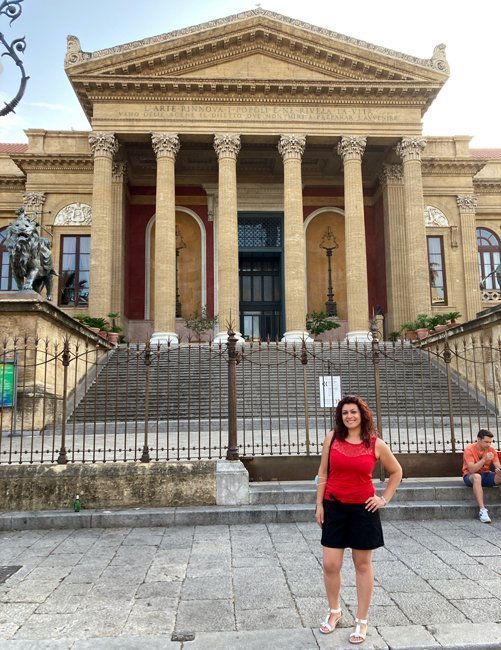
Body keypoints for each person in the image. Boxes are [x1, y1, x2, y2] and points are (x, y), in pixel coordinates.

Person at [315, 395, 402, 645]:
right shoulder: (331, 439)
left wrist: (383, 499)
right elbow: (323, 472)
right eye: (345, 413)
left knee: (362, 564)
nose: (349, 416)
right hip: (334, 507)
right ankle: (335, 612)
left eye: (353, 412)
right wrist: (319, 504)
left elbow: (397, 472)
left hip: (364, 510)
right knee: (331, 564)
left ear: (363, 415)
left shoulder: (376, 444)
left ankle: (362, 620)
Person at [462, 429, 501, 523]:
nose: (488, 445)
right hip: (470, 476)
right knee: (477, 477)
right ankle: (482, 510)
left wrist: (499, 472)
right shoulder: (469, 449)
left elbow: (498, 466)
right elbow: (472, 469)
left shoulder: (491, 450)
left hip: (486, 475)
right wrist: (484, 459)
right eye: (486, 442)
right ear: (478, 439)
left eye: (490, 442)